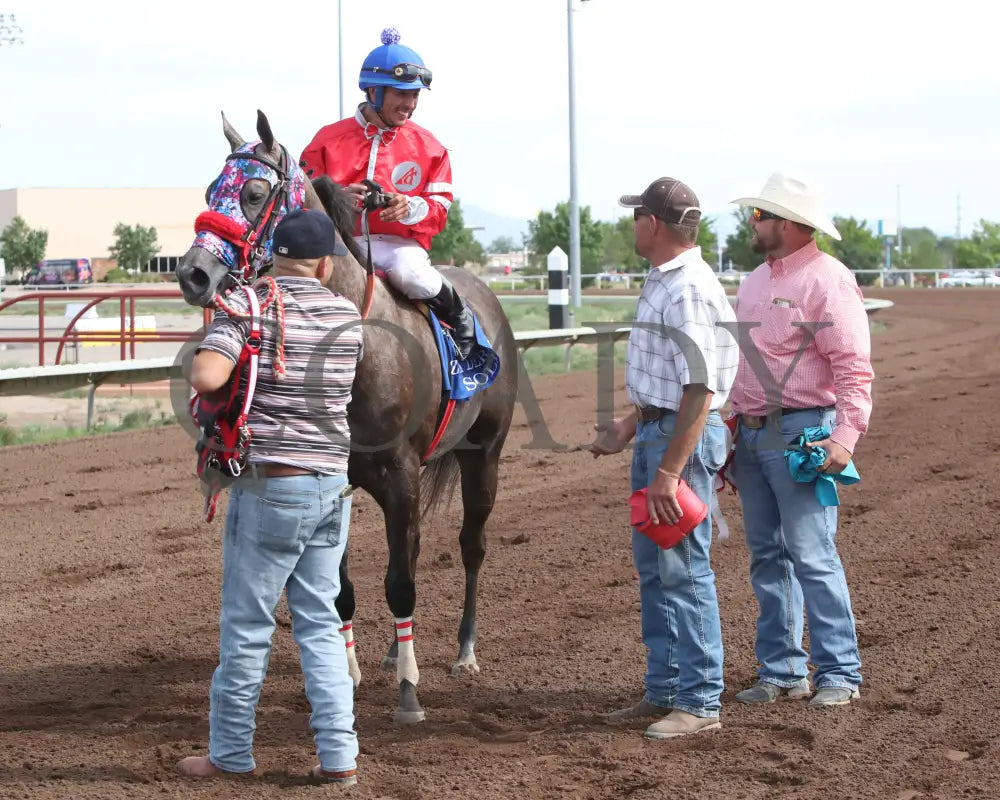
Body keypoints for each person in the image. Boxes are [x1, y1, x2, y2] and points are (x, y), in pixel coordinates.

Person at [178, 209, 364, 784]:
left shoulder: (252, 303)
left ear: (272, 257)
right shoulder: (349, 315)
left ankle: (231, 753)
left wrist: (207, 346)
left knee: (247, 624)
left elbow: (207, 376)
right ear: (326, 264)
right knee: (320, 624)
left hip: (270, 487)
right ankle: (339, 758)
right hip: (332, 485)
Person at [590, 178, 738, 739]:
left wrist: (671, 471)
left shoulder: (687, 289)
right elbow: (675, 381)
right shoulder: (666, 279)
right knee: (657, 571)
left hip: (681, 442)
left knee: (683, 569)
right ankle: (665, 688)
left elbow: (700, 387)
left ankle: (699, 702)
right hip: (661, 431)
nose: (632, 226)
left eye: (636, 217)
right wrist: (631, 425)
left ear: (653, 223)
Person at [727, 172, 873, 708]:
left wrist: (847, 436)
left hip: (803, 432)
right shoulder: (754, 282)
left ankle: (839, 673)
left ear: (786, 223)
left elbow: (854, 367)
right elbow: (742, 364)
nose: (753, 221)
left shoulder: (827, 280)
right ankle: (783, 671)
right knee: (768, 554)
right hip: (752, 431)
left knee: (812, 554)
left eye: (761, 215)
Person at [299, 27, 477, 359]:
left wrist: (409, 207)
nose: (410, 104)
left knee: (414, 277)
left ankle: (462, 321)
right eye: (401, 94)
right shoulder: (326, 140)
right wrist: (336, 199)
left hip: (399, 248)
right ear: (374, 91)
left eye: (415, 96)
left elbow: (440, 209)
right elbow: (300, 202)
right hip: (338, 247)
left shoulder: (430, 147)